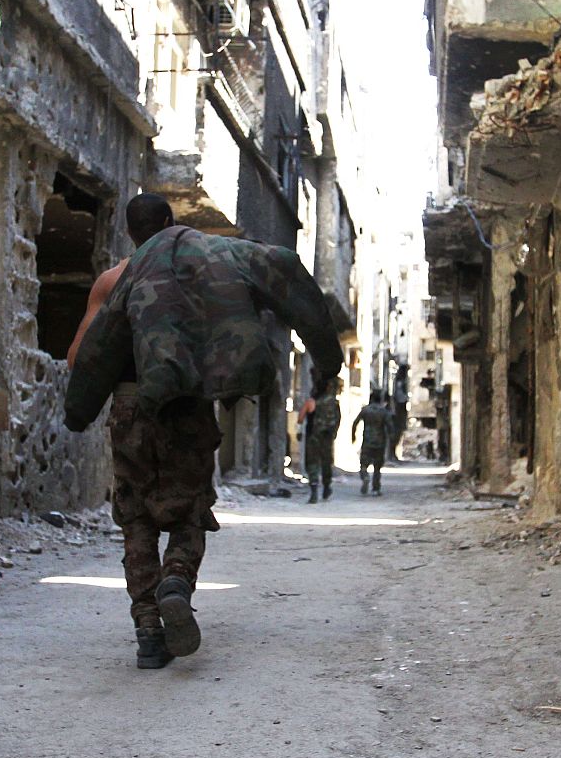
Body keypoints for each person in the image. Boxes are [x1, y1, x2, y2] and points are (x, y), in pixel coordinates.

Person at [66, 194, 344, 669]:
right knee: (189, 513)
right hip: (188, 408)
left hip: (131, 409)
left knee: (137, 519)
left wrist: (80, 411)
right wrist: (327, 363)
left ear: (131, 234)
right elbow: (284, 270)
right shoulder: (214, 261)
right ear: (171, 223)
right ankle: (176, 581)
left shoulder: (117, 278)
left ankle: (149, 632)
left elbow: (80, 359)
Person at [301, 377, 342, 504]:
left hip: (313, 436)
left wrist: (298, 431)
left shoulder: (312, 402)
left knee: (313, 463)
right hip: (327, 437)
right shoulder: (334, 403)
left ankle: (314, 490)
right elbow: (338, 419)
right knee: (326, 462)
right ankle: (326, 487)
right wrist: (334, 433)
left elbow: (300, 418)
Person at [352, 389, 393, 496]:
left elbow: (355, 423)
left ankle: (365, 477)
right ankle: (376, 488)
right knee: (377, 467)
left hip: (367, 441)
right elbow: (390, 427)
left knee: (363, 464)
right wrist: (391, 439)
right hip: (380, 442)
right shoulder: (384, 412)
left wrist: (353, 436)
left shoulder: (365, 410)